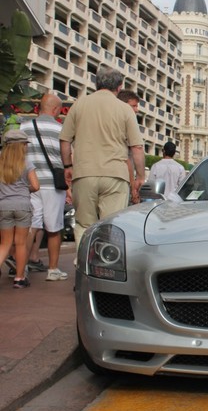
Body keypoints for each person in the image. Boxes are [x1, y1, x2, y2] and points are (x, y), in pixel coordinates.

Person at [59, 65, 146, 247]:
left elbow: (65, 140)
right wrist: (140, 177)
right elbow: (136, 147)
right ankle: (108, 269)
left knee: (84, 225)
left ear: (97, 83)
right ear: (119, 86)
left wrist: (68, 167)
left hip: (84, 173)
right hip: (115, 175)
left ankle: (83, 267)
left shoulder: (79, 105)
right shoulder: (125, 109)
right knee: (112, 226)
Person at [20, 93, 69, 281]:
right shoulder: (61, 130)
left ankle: (21, 269)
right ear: (56, 109)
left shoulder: (24, 127)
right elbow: (67, 158)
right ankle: (53, 269)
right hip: (53, 185)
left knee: (31, 226)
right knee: (53, 228)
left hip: (30, 184)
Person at [0, 130, 40, 288]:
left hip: (3, 206)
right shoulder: (26, 163)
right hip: (22, 206)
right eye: (25, 144)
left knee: (5, 243)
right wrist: (25, 190)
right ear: (21, 146)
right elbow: (36, 186)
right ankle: (19, 278)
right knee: (21, 243)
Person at [116, 89, 142, 204]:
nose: (136, 110)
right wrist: (134, 186)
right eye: (134, 106)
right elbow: (127, 159)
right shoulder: (125, 126)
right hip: (119, 182)